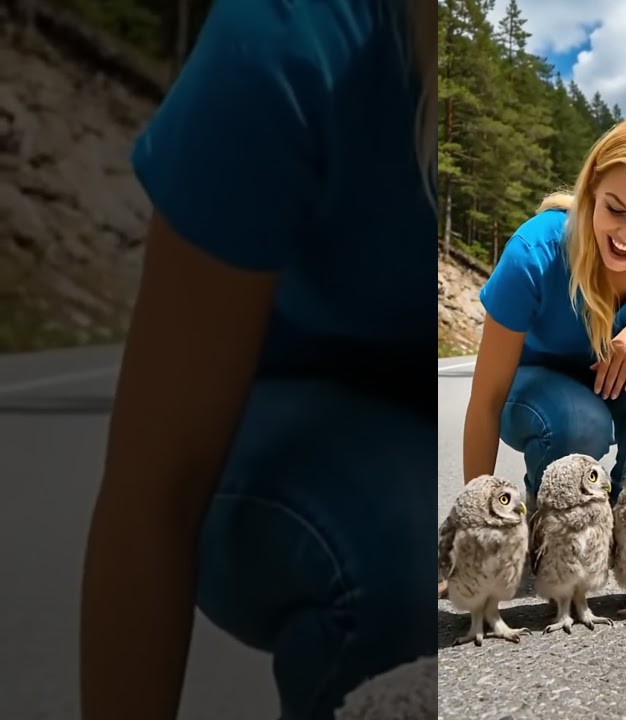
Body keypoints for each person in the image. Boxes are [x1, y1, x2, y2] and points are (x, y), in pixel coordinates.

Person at [78, 1, 438, 719]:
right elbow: (155, 489)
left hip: (425, 426)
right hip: (265, 442)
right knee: (411, 546)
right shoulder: (287, 34)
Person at [460, 117, 626, 509]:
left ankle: (623, 511)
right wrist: (476, 515)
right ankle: (554, 515)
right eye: (615, 210)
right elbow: (485, 402)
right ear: (593, 185)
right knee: (582, 421)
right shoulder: (532, 254)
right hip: (530, 397)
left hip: (609, 385)